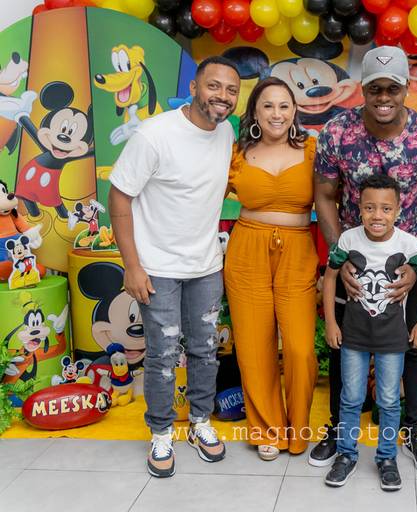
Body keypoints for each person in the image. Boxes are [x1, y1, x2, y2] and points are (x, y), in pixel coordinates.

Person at [312, 45, 417, 475]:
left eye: (393, 88)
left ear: (406, 88)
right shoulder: (337, 133)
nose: (384, 97)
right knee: (343, 347)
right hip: (353, 264)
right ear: (363, 89)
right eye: (375, 88)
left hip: (410, 262)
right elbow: (325, 196)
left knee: (414, 346)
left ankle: (415, 431)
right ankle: (340, 430)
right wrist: (341, 257)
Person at [109, 56, 241, 478]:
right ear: (194, 88)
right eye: (214, 86)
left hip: (206, 266)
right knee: (163, 354)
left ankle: (200, 422)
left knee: (205, 349)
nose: (222, 96)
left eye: (232, 90)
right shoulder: (155, 135)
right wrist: (132, 266)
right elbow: (119, 197)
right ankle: (161, 431)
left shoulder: (226, 133)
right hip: (157, 268)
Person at [322, 175, 417, 491]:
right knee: (350, 398)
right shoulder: (348, 240)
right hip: (353, 336)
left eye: (386, 209)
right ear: (359, 208)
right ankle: (346, 455)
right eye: (370, 208)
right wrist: (332, 323)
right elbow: (330, 277)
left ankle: (387, 458)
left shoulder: (407, 244)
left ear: (398, 210)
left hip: (392, 340)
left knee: (389, 401)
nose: (378, 215)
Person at [224, 77, 318, 460]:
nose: (276, 114)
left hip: (298, 252)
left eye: (283, 105)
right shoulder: (237, 155)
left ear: (294, 111)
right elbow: (200, 196)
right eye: (268, 106)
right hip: (247, 251)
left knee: (299, 348)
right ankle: (267, 429)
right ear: (255, 113)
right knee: (254, 347)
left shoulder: (312, 150)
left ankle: (297, 430)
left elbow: (335, 199)